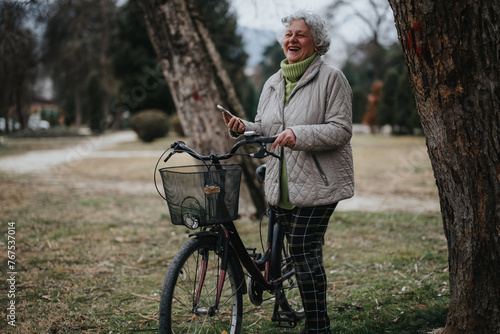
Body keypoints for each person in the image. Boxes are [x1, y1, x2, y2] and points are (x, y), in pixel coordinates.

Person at [223, 10, 354, 334]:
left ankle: (318, 327)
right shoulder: (272, 82)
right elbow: (267, 126)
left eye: (301, 34)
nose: (291, 39)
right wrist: (244, 128)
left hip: (319, 183)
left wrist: (300, 135)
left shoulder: (332, 78)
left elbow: (341, 129)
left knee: (301, 249)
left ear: (317, 42)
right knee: (294, 250)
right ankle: (287, 302)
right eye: (288, 34)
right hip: (280, 181)